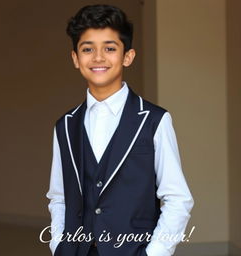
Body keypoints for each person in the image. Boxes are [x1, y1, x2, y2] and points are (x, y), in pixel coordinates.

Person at [46, 4, 194, 256]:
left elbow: (178, 199)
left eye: (110, 48)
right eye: (87, 49)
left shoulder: (154, 120)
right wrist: (58, 244)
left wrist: (155, 253)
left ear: (128, 56)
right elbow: (59, 197)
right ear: (75, 58)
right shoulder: (65, 125)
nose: (98, 57)